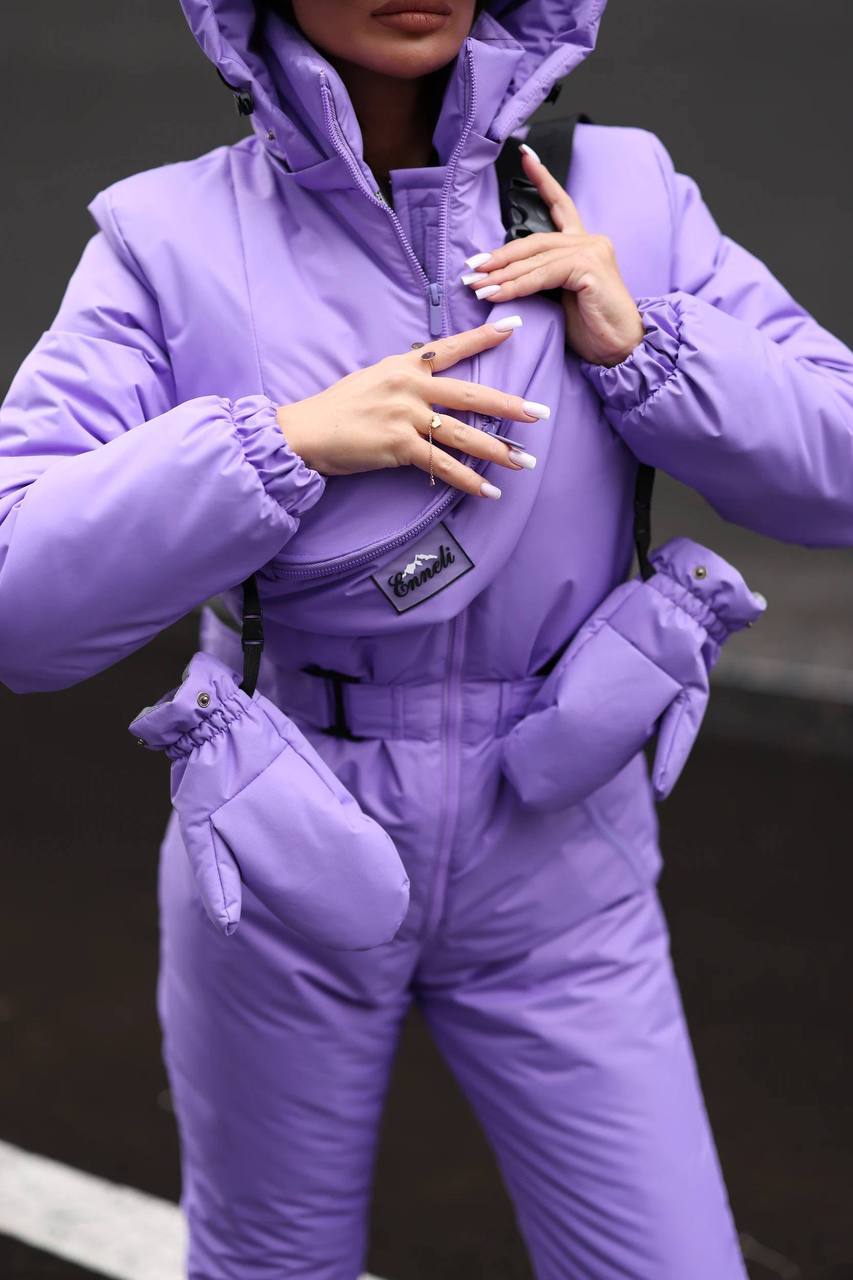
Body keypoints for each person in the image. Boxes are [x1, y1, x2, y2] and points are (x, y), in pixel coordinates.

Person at [2, 1, 852, 1276]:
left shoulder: (623, 193)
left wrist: (653, 349)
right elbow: (21, 600)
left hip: (565, 849)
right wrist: (274, 445)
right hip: (285, 843)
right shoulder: (164, 237)